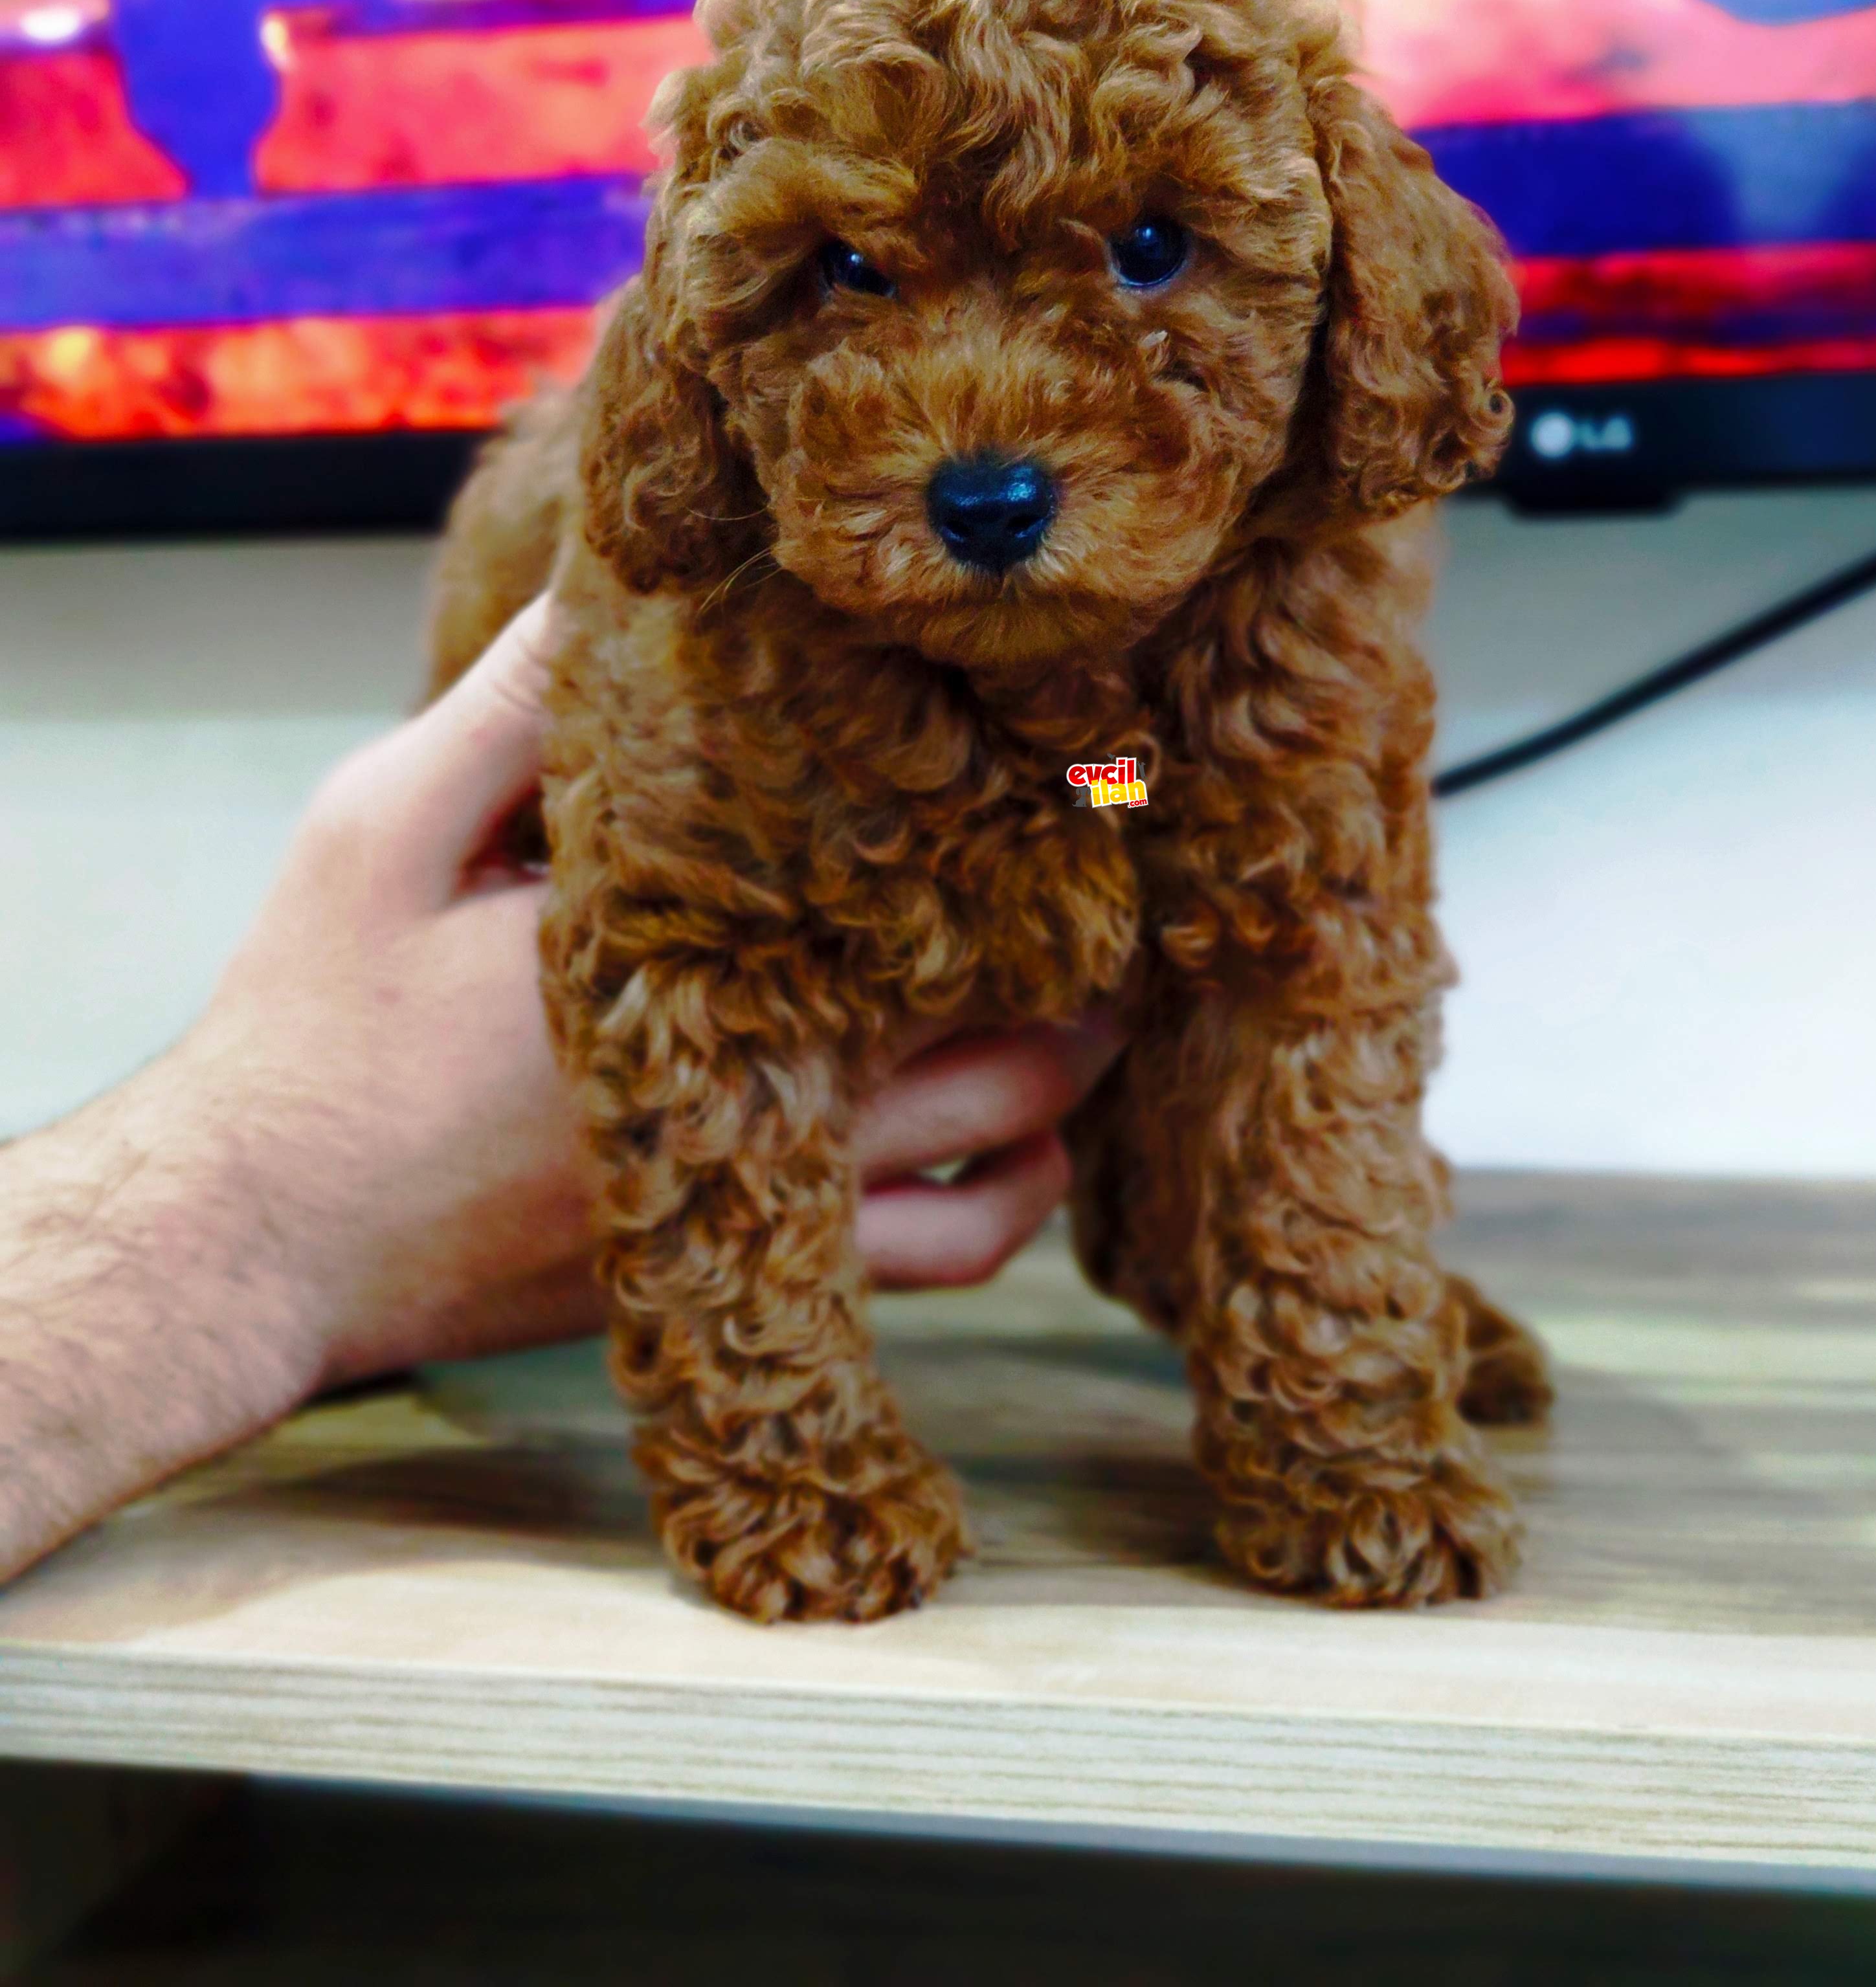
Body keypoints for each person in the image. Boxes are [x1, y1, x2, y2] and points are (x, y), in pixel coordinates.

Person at [0, 599, 1121, 1589]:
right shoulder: (705, 667)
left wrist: (1127, 785)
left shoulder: (1126, 737)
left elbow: (1133, 776)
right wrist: (277, 1203)